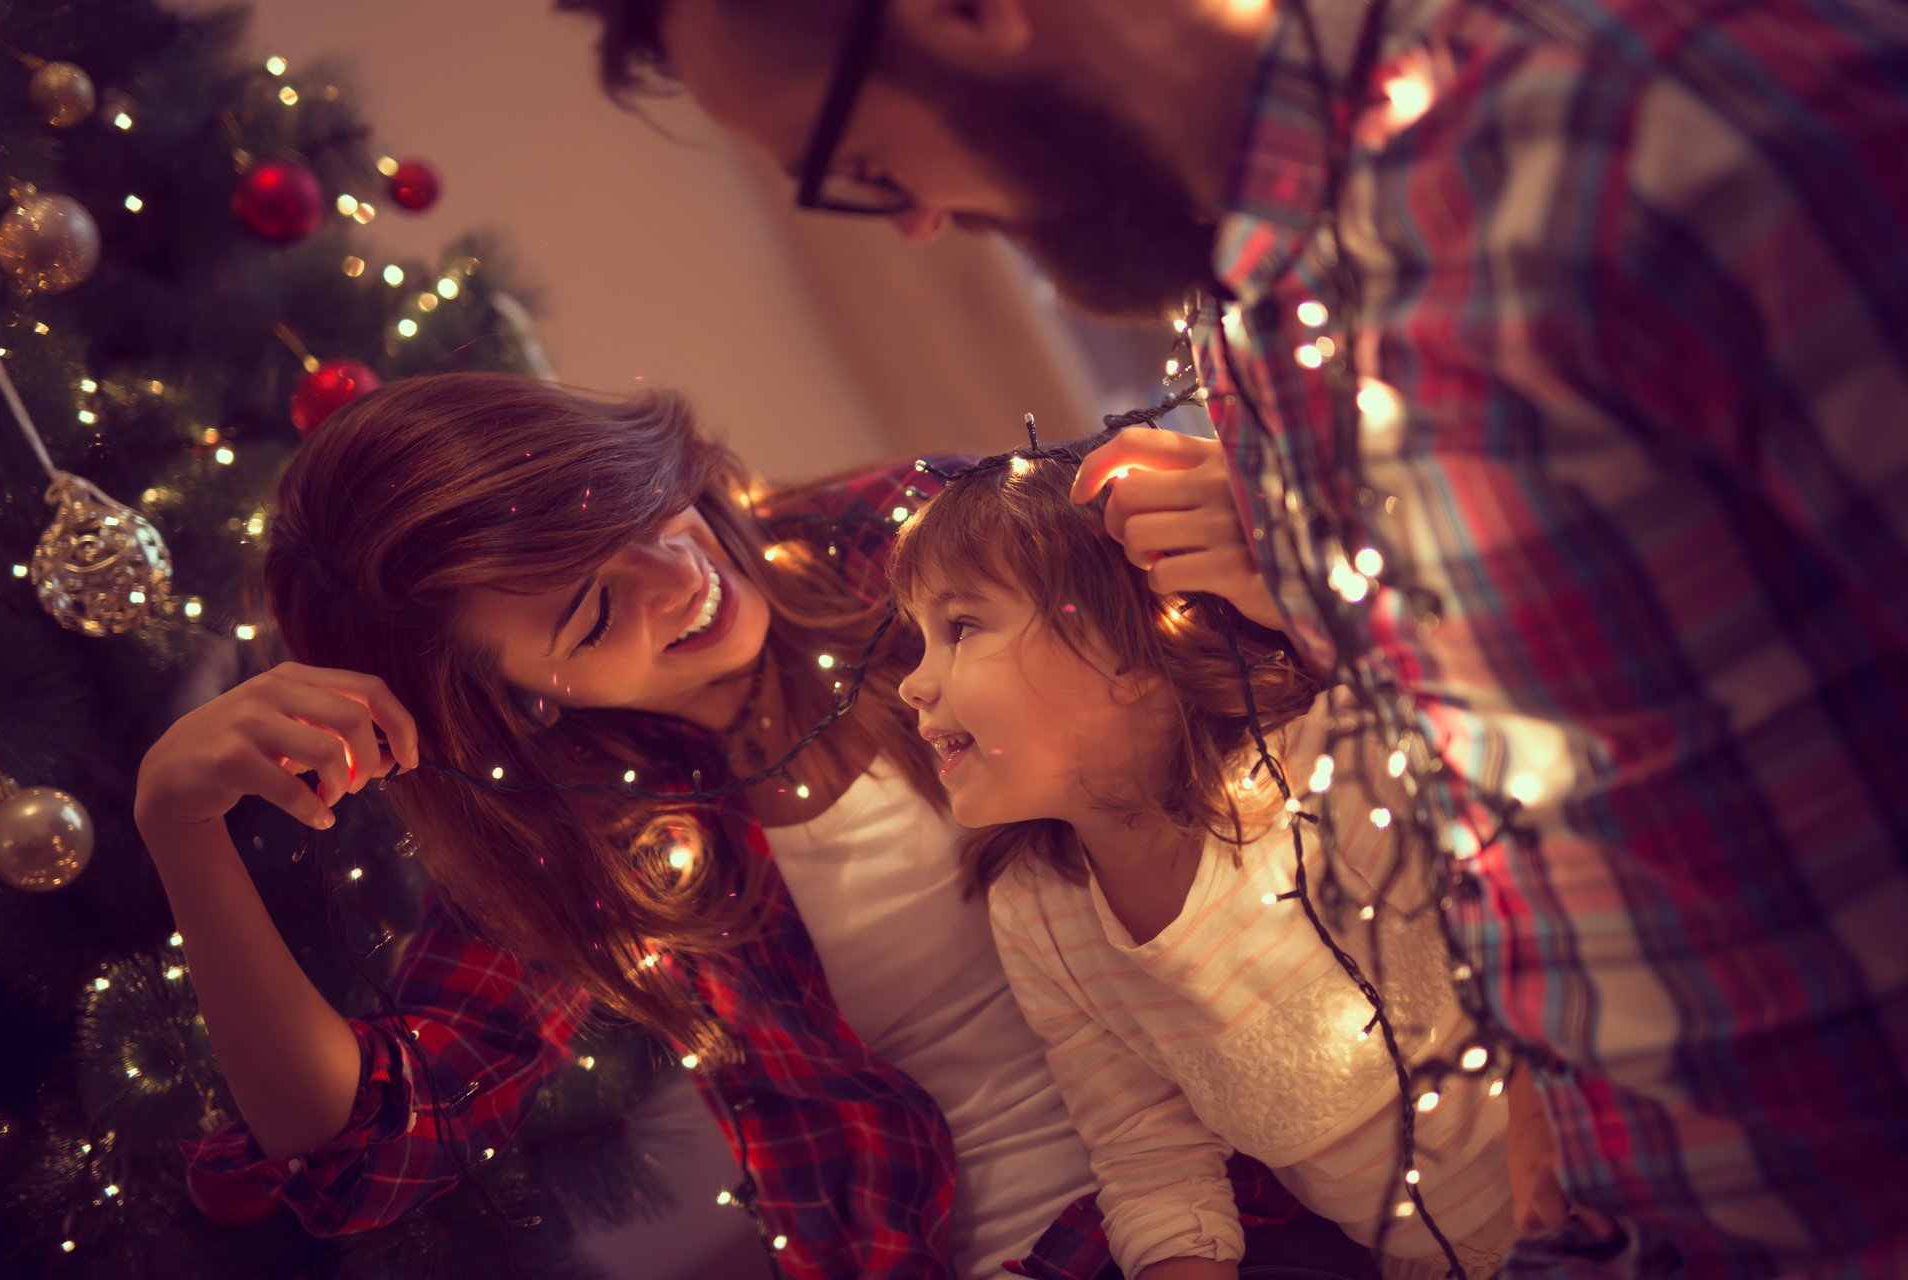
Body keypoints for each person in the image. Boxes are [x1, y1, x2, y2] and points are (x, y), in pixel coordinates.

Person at [552, 1, 1908, 1273]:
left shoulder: (1654, 144)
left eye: (861, 163)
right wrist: (1558, 1084)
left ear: (972, 12)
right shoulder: (1258, 324)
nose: (912, 227)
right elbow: (1516, 779)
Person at [134, 371, 1353, 1280]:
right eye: (594, 608)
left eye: (632, 504)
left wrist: (1263, 541)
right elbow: (362, 1148)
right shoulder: (584, 828)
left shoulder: (919, 539)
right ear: (514, 697)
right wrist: (180, 829)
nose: (679, 570)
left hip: (1300, 1143)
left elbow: (1310, 698)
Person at [890, 432, 1542, 1280]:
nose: (914, 681)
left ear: (1132, 652)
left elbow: (1539, 897)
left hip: (1603, 1178)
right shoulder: (1043, 912)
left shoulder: (1329, 764)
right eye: (919, 637)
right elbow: (1149, 1159)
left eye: (961, 627)